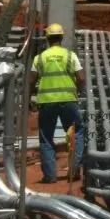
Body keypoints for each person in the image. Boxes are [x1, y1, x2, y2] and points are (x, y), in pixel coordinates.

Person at [29, 23, 85, 183]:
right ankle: (74, 171)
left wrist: (30, 97)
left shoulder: (39, 58)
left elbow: (31, 80)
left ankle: (50, 176)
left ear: (47, 38)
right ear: (62, 37)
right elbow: (81, 78)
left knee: (46, 137)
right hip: (68, 100)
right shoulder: (70, 56)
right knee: (76, 133)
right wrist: (78, 91)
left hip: (46, 102)